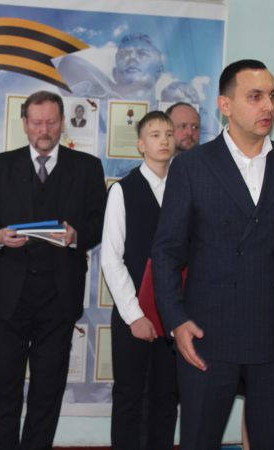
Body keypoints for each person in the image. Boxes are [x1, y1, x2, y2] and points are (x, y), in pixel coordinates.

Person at [151, 59, 274, 449]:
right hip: (208, 335)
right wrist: (176, 321)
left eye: (272, 95)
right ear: (225, 105)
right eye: (255, 96)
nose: (268, 106)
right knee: (199, 440)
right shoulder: (192, 166)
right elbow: (167, 251)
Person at [0, 90, 106, 450]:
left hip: (59, 296)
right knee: (2, 386)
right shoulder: (0, 165)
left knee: (48, 387)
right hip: (9, 295)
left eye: (51, 122)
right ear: (25, 124)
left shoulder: (87, 168)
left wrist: (77, 236)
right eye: (36, 122)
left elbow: (99, 221)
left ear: (62, 123)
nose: (44, 130)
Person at [101, 110, 178, 450]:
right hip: (133, 314)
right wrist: (134, 315)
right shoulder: (123, 190)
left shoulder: (184, 189)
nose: (164, 141)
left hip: (174, 316)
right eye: (155, 135)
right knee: (130, 396)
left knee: (167, 396)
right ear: (141, 145)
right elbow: (111, 258)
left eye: (169, 134)